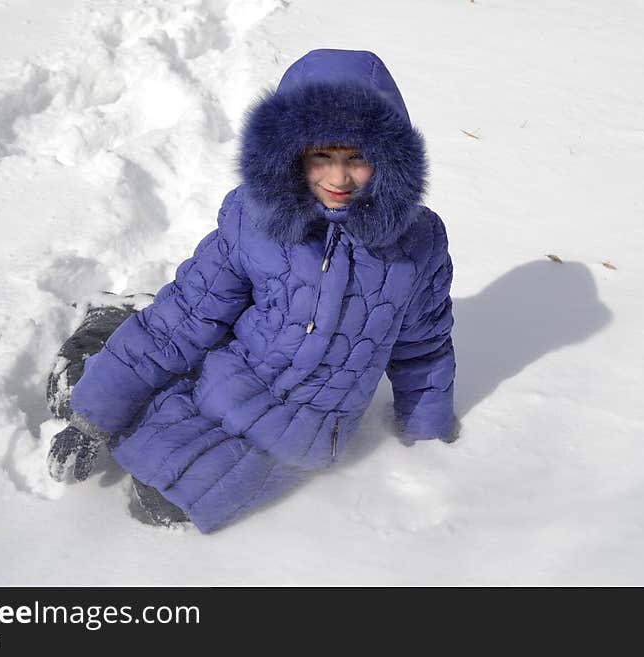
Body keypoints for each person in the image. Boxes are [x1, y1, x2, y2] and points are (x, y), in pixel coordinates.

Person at [46, 48, 458, 533]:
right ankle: (97, 344)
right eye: (320, 155)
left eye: (357, 158)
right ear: (290, 154)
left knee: (166, 497)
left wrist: (426, 448)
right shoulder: (255, 219)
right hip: (222, 382)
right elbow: (184, 317)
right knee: (107, 400)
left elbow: (423, 351)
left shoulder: (418, 243)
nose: (338, 178)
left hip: (299, 436)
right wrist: (91, 417)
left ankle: (119, 336)